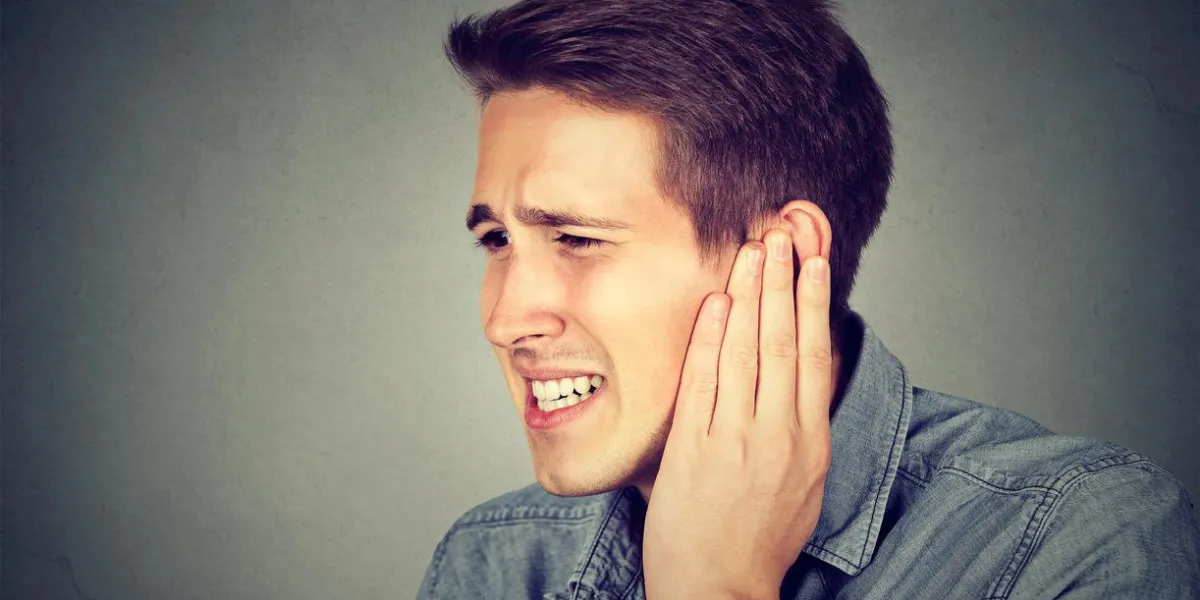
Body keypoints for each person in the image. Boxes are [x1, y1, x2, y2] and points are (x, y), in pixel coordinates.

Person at [416, 0, 1200, 597]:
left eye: (577, 238)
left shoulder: (1075, 537)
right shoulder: (495, 560)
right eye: (496, 241)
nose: (505, 318)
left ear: (781, 254)